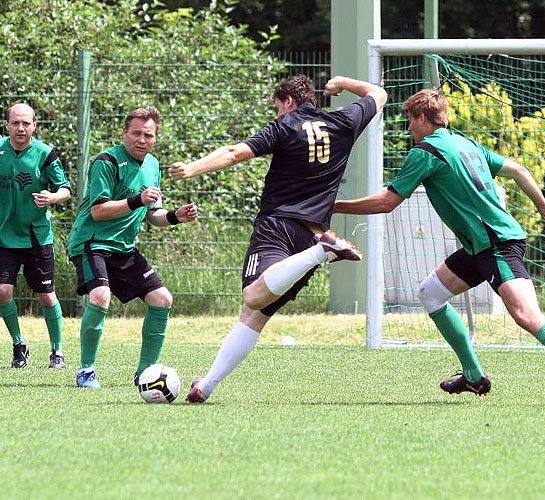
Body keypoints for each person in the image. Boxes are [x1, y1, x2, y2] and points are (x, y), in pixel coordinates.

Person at [334, 88, 545, 406]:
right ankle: (473, 376)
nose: (408, 128)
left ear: (423, 118)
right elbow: (519, 170)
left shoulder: (425, 152)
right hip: (480, 247)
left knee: (526, 315)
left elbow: (387, 202)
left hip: (496, 244)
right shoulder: (466, 144)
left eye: (410, 120)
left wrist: (334, 206)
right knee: (430, 293)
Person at [169, 74, 387, 403]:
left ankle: (323, 251)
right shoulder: (343, 122)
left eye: (277, 106)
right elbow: (378, 93)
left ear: (287, 102)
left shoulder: (285, 126)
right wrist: (341, 81)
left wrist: (192, 168)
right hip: (312, 232)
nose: (277, 113)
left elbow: (234, 153)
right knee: (255, 314)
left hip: (278, 226)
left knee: (253, 296)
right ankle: (205, 385)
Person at [67, 107, 198, 388]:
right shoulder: (106, 162)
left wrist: (176, 216)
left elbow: (153, 214)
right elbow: (99, 211)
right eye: (136, 133)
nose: (141, 139)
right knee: (101, 296)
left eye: (148, 135)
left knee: (162, 299)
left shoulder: (153, 166)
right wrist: (137, 200)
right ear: (124, 133)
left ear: (155, 138)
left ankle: (145, 373)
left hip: (124, 248)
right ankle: (86, 370)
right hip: (92, 242)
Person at [1, 103, 72, 369]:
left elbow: (65, 189)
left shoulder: (45, 154)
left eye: (26, 123)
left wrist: (52, 197)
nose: (20, 128)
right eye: (15, 123)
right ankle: (19, 345)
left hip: (36, 238)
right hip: (4, 237)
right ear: (6, 125)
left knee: (46, 295)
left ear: (34, 125)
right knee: (2, 292)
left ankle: (57, 350)